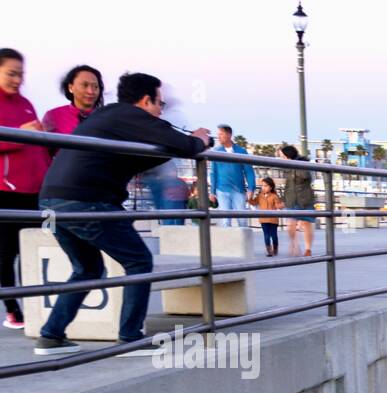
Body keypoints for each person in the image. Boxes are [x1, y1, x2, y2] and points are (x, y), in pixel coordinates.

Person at [35, 71, 208, 353]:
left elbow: (151, 153)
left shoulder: (108, 118)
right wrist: (201, 139)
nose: (160, 111)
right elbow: (185, 144)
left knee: (87, 268)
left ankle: (52, 335)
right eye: (159, 104)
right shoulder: (129, 115)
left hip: (51, 203)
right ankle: (130, 337)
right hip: (85, 202)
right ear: (145, 100)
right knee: (138, 261)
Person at [0, 47, 51, 330]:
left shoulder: (26, 103)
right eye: (11, 73)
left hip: (34, 190)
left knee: (32, 248)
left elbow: (35, 146)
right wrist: (22, 134)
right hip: (5, 190)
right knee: (7, 253)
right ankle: (13, 309)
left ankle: (34, 304)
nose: (17, 79)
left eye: (21, 74)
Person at [209, 124, 255, 227]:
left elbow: (249, 171)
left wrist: (251, 188)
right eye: (218, 134)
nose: (218, 137)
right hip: (222, 190)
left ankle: (244, 242)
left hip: (238, 190)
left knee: (242, 220)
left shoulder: (241, 151)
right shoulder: (216, 152)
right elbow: (213, 173)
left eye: (221, 134)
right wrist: (212, 191)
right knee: (225, 221)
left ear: (229, 135)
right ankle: (227, 243)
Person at [41, 64, 104, 136]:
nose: (90, 91)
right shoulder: (53, 116)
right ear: (70, 87)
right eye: (85, 85)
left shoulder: (106, 118)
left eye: (95, 86)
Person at [277, 144, 314, 256]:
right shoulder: (286, 167)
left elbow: (306, 176)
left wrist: (294, 167)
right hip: (291, 199)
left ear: (288, 156)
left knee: (307, 223)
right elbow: (287, 185)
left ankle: (308, 249)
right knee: (291, 224)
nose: (281, 158)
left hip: (304, 199)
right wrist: (283, 200)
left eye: (282, 156)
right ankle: (294, 243)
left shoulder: (303, 164)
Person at [249, 175, 283, 256]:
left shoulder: (274, 196)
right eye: (262, 186)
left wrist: (281, 205)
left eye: (265, 186)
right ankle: (269, 250)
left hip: (273, 219)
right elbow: (254, 202)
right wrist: (249, 198)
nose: (263, 187)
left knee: (274, 235)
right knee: (266, 235)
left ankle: (275, 248)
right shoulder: (260, 196)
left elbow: (278, 205)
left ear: (271, 187)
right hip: (263, 219)